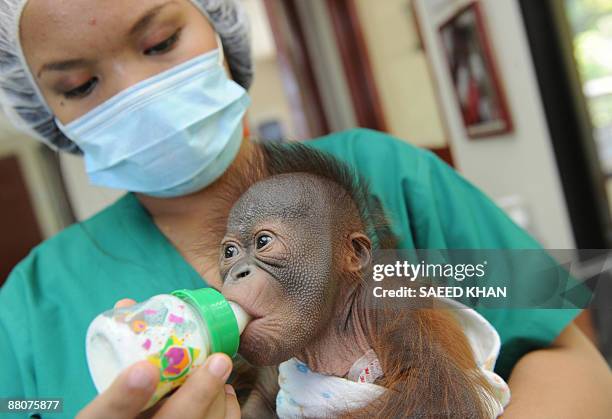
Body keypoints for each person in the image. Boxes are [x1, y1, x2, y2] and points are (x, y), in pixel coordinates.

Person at [0, 0, 610, 418]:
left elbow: (565, 344)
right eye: (79, 85)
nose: (135, 94)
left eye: (160, 42)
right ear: (44, 109)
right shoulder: (33, 301)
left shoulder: (384, 174)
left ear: (216, 23)